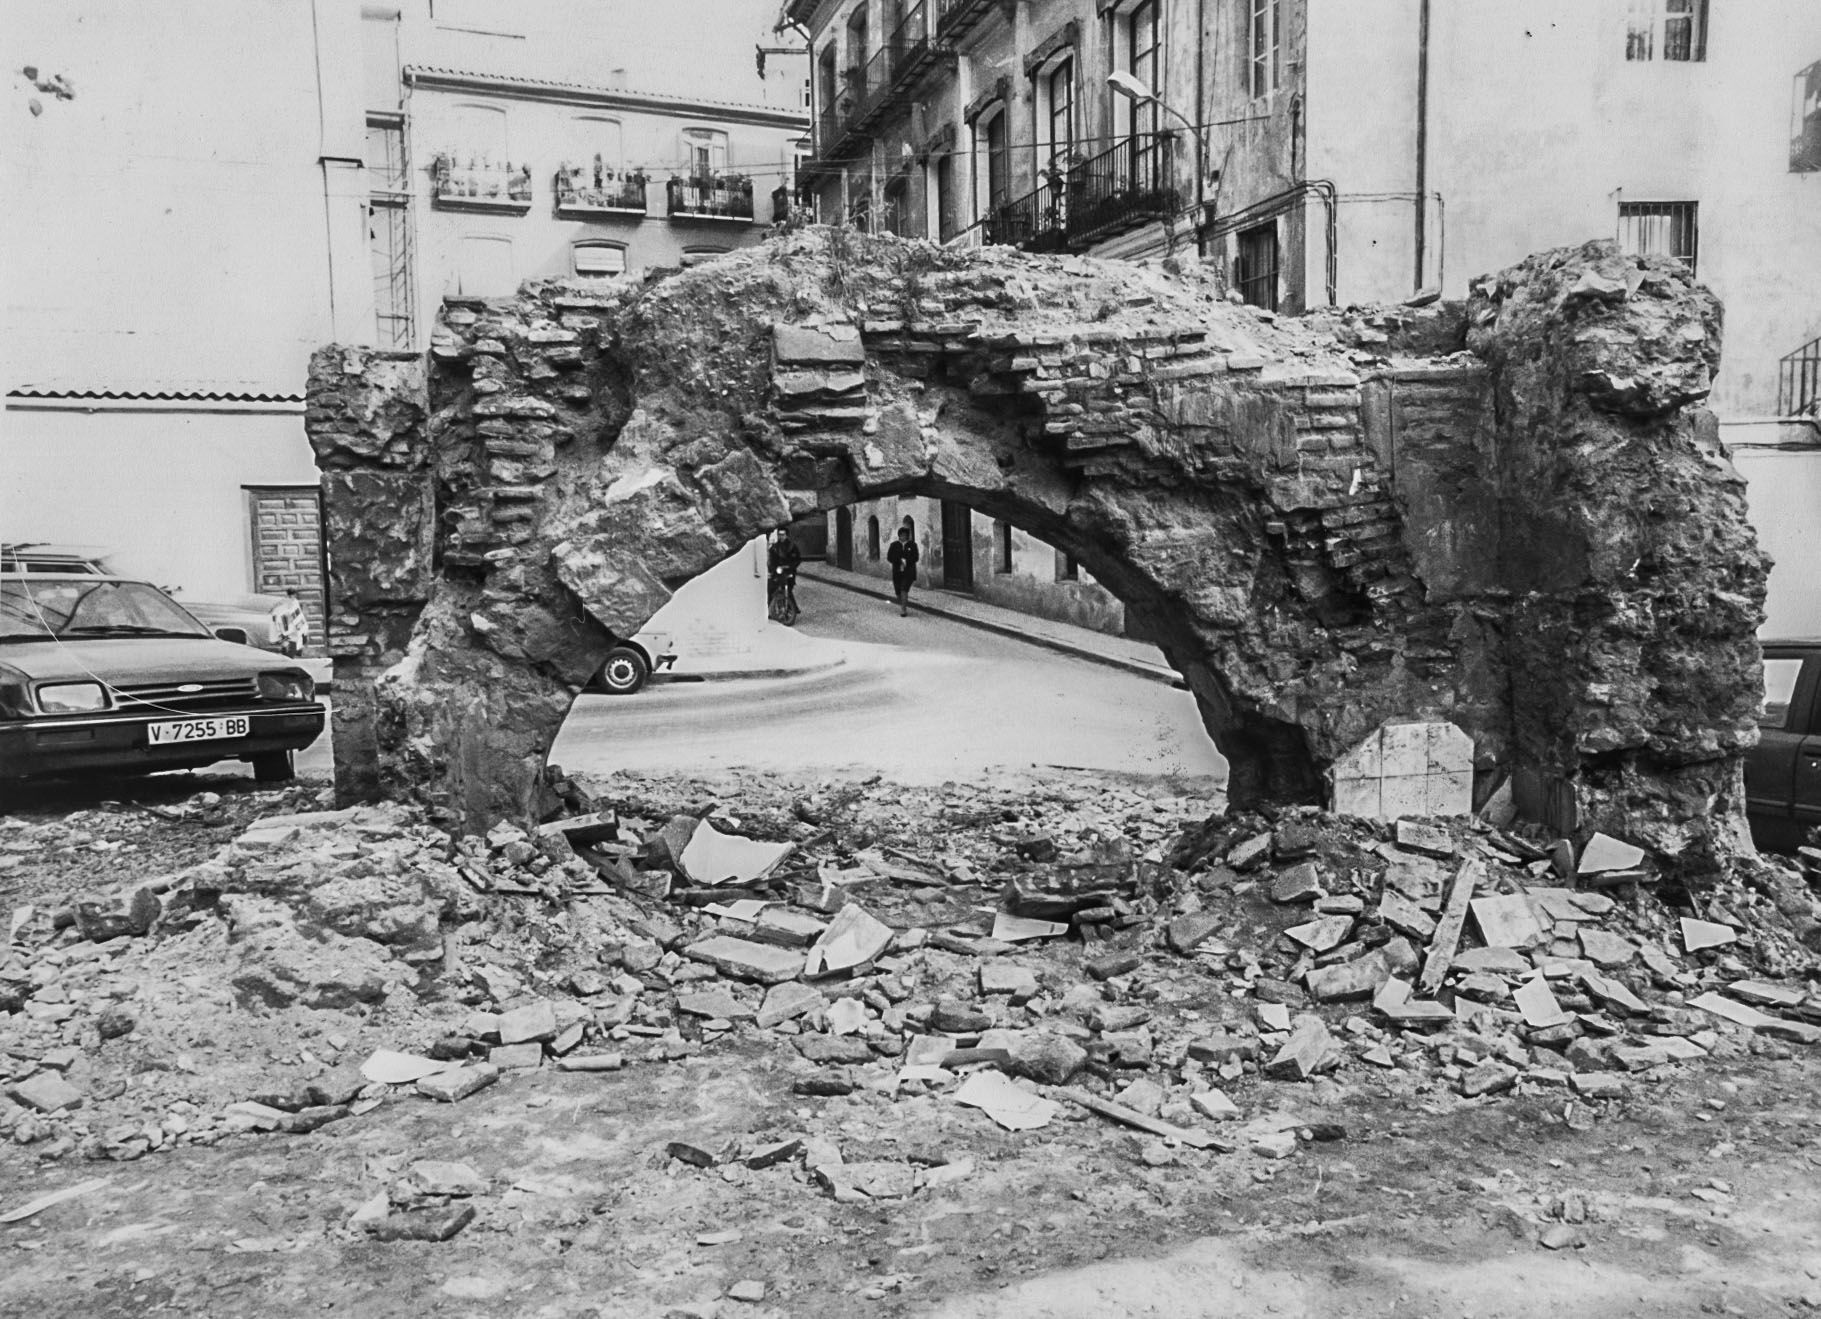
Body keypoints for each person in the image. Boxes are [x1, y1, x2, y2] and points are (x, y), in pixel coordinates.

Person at [767, 527, 801, 622]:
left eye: (783, 534)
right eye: (779, 534)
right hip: (777, 572)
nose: (781, 536)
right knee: (771, 589)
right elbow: (771, 561)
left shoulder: (792, 547)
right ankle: (768, 610)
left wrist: (790, 567)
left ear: (786, 535)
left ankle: (792, 609)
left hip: (789, 572)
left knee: (788, 590)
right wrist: (774, 568)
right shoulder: (774, 548)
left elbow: (797, 559)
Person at [886, 523, 919, 616]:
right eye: (902, 535)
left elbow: (916, 557)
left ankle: (903, 610)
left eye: (905, 535)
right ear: (899, 536)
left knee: (904, 589)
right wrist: (898, 560)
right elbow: (889, 557)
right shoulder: (894, 545)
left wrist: (906, 561)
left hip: (909, 571)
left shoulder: (912, 545)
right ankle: (902, 604)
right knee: (898, 591)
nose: (904, 536)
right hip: (897, 571)